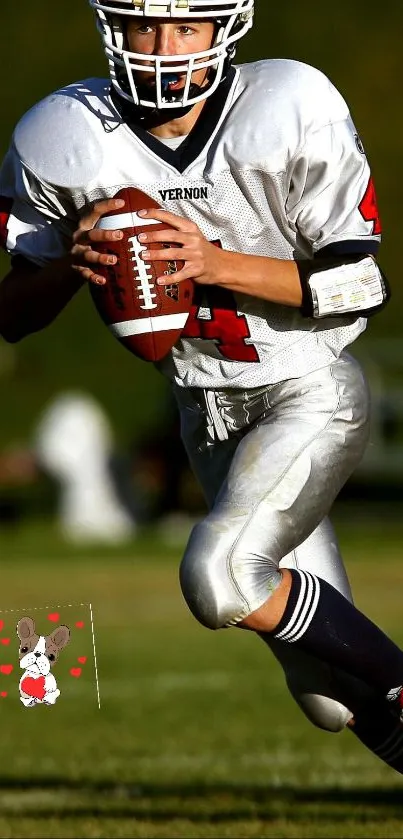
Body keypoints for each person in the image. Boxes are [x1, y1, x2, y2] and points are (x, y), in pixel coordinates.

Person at [0, 0, 402, 772]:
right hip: (206, 417)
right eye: (146, 25)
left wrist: (211, 262)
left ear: (225, 30)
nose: (164, 47)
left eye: (187, 26)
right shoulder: (61, 133)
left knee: (218, 575)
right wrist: (65, 265)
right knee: (329, 700)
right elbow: (10, 315)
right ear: (112, 28)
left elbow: (359, 283)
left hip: (305, 390)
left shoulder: (287, 103)